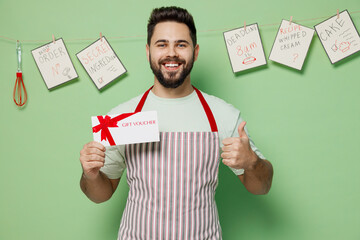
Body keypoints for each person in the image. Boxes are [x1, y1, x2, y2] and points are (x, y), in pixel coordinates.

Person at [79, 6, 273, 240]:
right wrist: (90, 175)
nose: (171, 53)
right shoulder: (121, 116)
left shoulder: (223, 114)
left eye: (181, 44)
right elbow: (101, 194)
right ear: (148, 51)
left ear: (196, 51)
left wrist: (252, 162)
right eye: (162, 44)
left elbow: (262, 187)